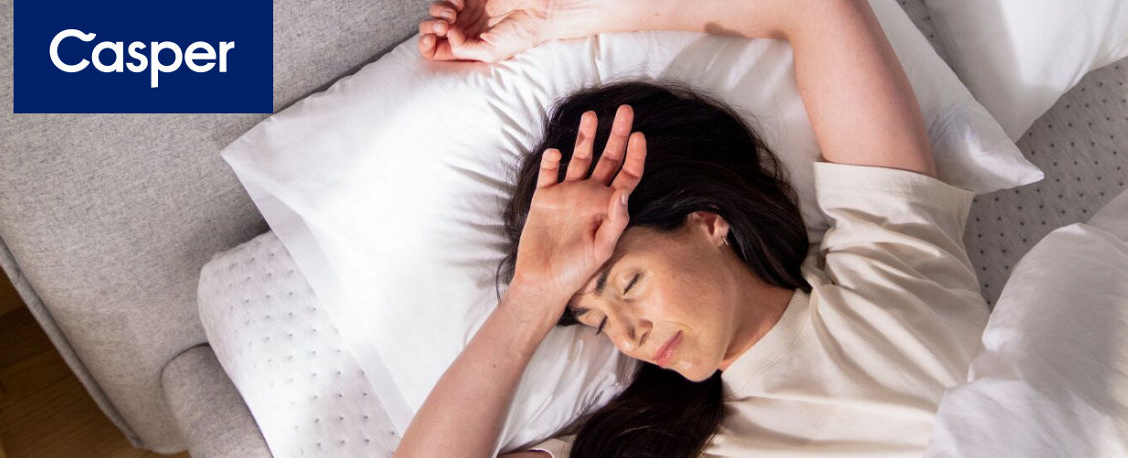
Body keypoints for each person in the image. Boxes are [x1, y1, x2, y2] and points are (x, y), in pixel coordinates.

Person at [395, 1, 991, 457]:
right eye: (597, 323)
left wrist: (555, 16)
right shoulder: (657, 443)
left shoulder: (894, 264)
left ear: (708, 220)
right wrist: (531, 299)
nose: (628, 336)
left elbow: (817, 8)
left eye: (627, 284)